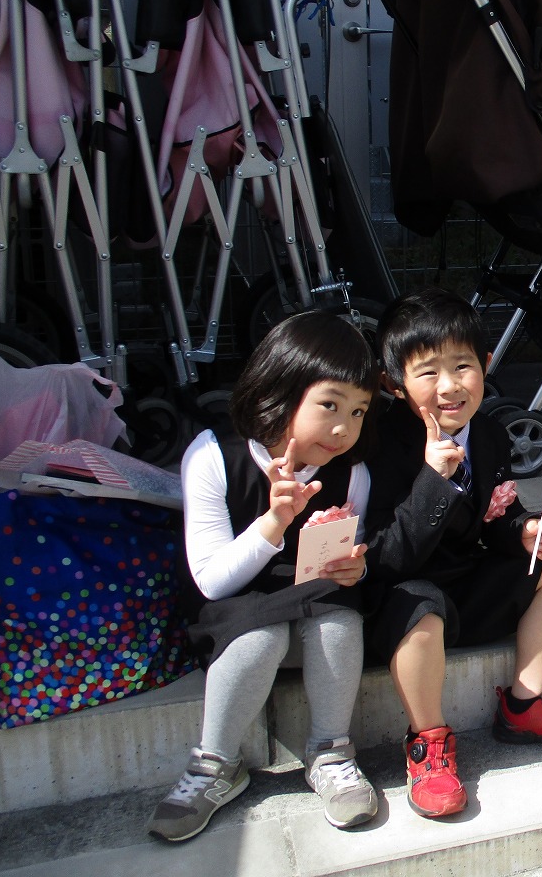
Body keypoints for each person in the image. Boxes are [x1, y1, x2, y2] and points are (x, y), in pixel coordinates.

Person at [364, 287, 542, 820]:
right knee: (418, 604)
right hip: (404, 603)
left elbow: (498, 513)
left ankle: (526, 702)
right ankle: (427, 742)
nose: (449, 386)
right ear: (393, 382)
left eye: (463, 366)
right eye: (427, 372)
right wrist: (433, 478)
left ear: (487, 364)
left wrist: (523, 531)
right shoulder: (379, 444)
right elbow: (385, 558)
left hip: (467, 586)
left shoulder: (491, 434)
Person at [148, 311, 380, 842]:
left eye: (358, 411)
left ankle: (331, 753)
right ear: (281, 389)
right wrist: (275, 521)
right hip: (236, 611)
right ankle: (216, 765)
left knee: (339, 621)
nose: (343, 428)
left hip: (314, 607)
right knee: (261, 635)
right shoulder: (214, 456)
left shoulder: (351, 471)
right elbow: (212, 581)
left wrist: (357, 564)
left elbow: (355, 545)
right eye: (329, 405)